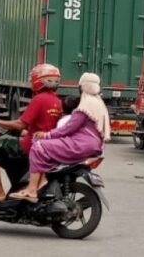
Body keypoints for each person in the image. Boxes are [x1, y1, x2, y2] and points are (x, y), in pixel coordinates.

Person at [9, 72, 111, 203]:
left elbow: (68, 128)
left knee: (38, 146)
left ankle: (32, 189)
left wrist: (47, 135)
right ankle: (43, 179)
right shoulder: (98, 103)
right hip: (92, 145)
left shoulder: (85, 106)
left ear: (82, 87)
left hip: (80, 144)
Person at [0, 63, 63, 205]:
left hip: (28, 146)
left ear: (39, 80)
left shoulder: (39, 99)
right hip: (43, 145)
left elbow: (20, 124)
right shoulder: (57, 101)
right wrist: (26, 131)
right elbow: (45, 125)